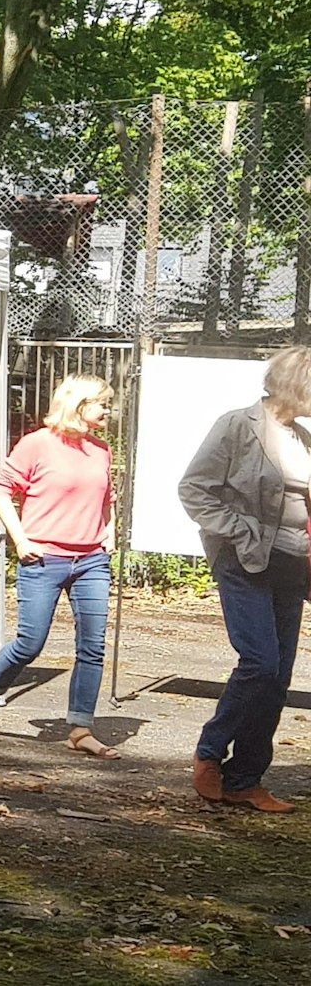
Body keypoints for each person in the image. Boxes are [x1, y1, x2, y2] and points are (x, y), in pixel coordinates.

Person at [178, 347, 311, 812]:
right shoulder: (239, 426)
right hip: (245, 560)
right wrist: (240, 532)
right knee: (259, 662)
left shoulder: (304, 440)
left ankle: (245, 779)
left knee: (277, 679)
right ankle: (210, 749)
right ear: (296, 383)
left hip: (295, 568)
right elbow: (194, 489)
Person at [0, 375, 119, 760]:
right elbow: (1, 489)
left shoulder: (101, 450)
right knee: (30, 643)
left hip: (92, 561)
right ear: (79, 404)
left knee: (93, 647)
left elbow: (108, 496)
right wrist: (21, 539)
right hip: (43, 557)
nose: (107, 411)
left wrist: (110, 531)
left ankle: (81, 728)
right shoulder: (37, 444)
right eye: (102, 403)